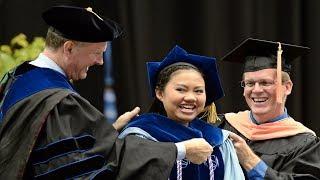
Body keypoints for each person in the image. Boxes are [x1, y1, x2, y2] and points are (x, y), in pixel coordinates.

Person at [0, 6, 214, 179]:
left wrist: (108, 130)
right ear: (68, 48)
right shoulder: (59, 101)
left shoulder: (19, 77)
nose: (100, 62)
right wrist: (180, 151)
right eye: (96, 53)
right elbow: (83, 167)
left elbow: (59, 150)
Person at [119, 45, 245, 180]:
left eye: (198, 91)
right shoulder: (141, 135)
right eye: (181, 89)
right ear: (160, 93)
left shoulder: (219, 140)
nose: (191, 97)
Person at [219, 38, 320, 179]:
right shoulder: (223, 124)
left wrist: (250, 161)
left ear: (287, 87)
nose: (256, 90)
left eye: (265, 83)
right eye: (249, 83)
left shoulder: (305, 144)